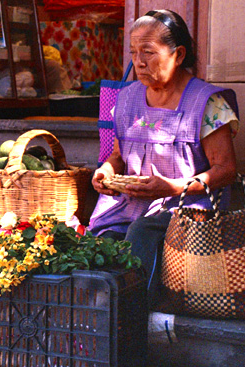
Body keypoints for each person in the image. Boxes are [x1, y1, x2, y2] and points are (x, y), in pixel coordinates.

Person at [88, 9, 239, 306]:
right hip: (130, 204)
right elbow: (119, 154)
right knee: (102, 245)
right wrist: (106, 170)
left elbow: (226, 170)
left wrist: (171, 188)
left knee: (141, 232)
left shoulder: (207, 102)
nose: (139, 62)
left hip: (185, 207)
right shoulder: (128, 97)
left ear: (178, 54)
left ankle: (130, 315)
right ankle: (101, 318)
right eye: (134, 52)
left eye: (149, 52)